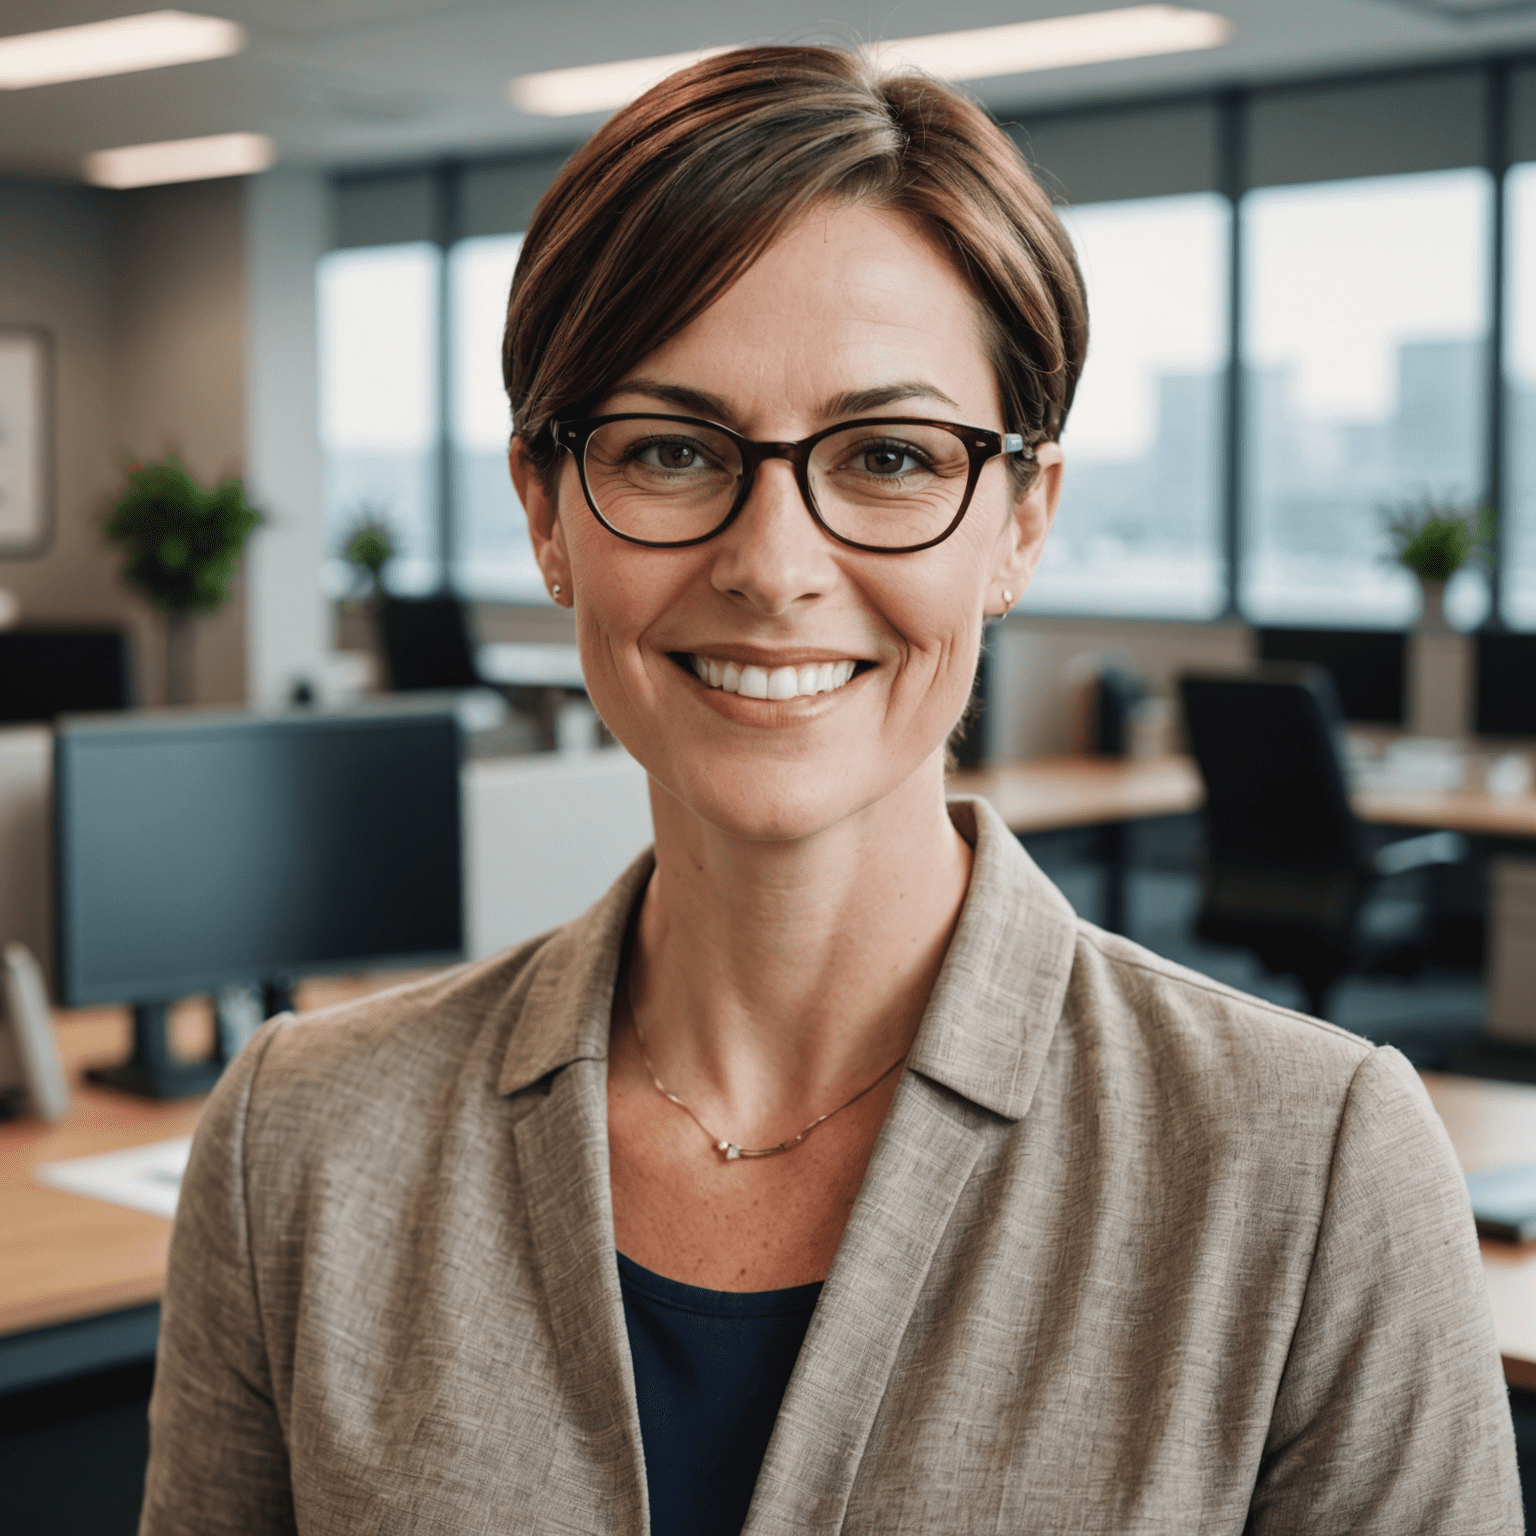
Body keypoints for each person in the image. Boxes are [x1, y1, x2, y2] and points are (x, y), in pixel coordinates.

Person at [140, 46, 1520, 1536]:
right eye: (670, 450)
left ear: (1019, 522)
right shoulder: (301, 1143)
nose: (774, 564)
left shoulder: (1308, 1173)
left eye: (886, 456)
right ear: (547, 513)